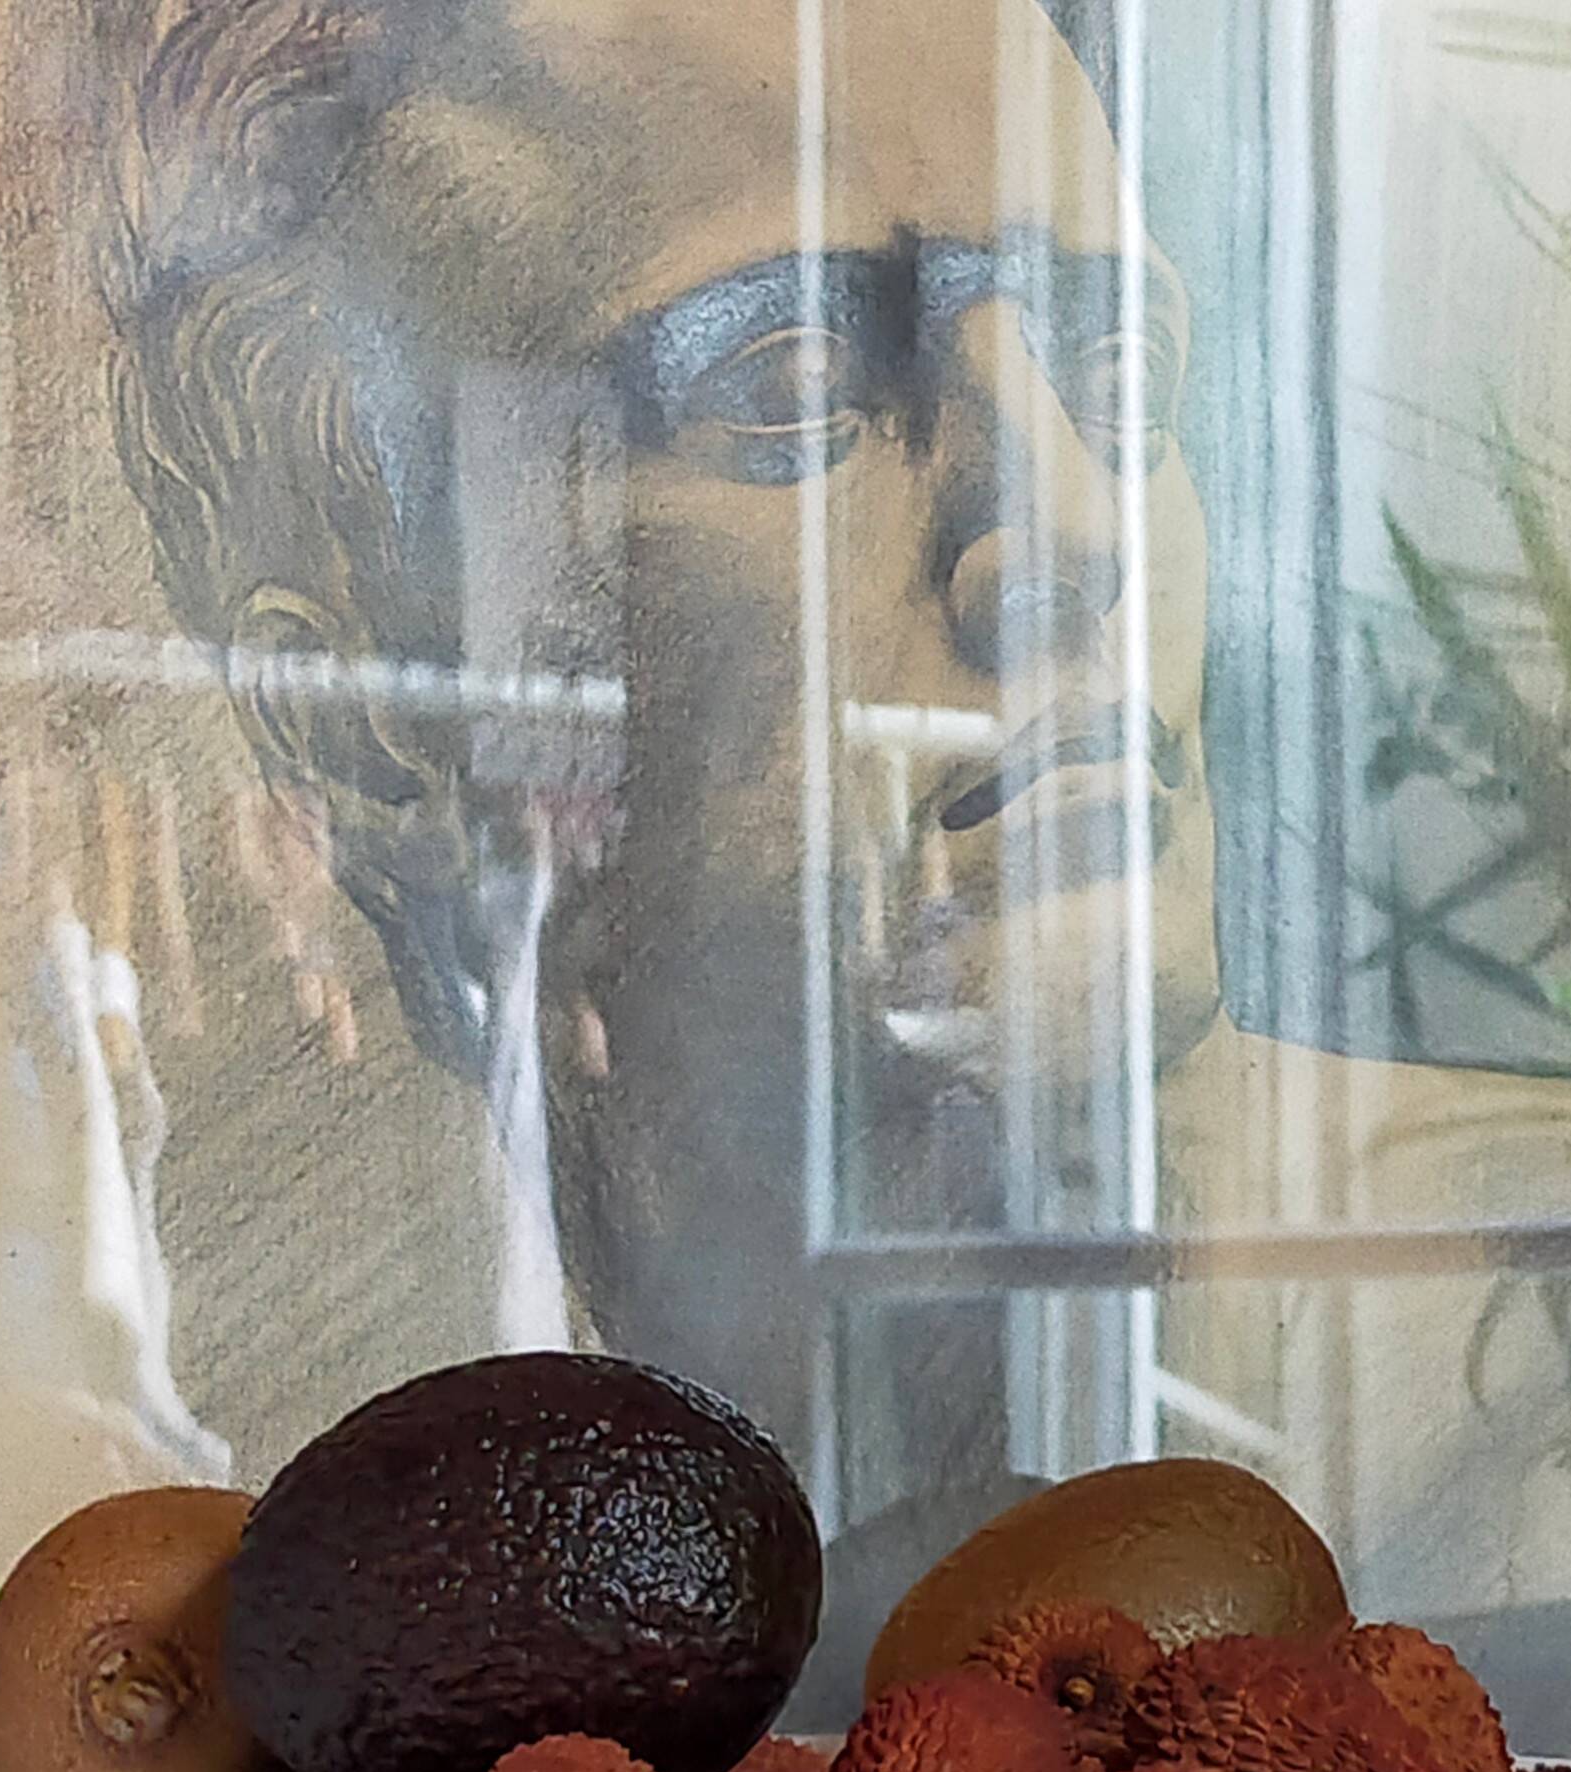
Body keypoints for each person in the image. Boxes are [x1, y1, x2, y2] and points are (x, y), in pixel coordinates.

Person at [93, 0, 1224, 1554]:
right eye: (786, 381)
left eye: (1116, 370)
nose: (1079, 536)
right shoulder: (243, 1456)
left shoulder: (1523, 1329)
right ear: (357, 715)